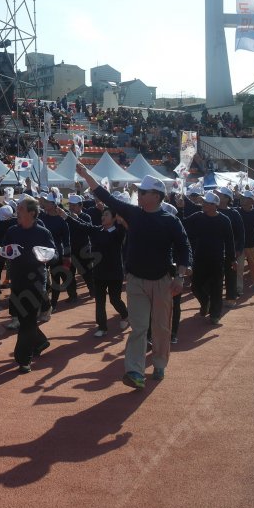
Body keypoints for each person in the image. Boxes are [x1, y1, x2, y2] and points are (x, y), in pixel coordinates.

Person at [78, 164, 191, 389]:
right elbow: (105, 196)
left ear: (156, 196)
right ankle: (135, 371)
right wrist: (86, 175)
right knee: (139, 328)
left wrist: (180, 276)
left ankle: (159, 363)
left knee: (160, 327)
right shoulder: (132, 213)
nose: (138, 195)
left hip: (162, 282)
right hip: (136, 280)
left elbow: (184, 247)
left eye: (142, 192)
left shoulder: (170, 221)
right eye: (138, 192)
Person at [0, 196, 57, 373]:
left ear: (31, 213)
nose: (17, 211)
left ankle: (23, 359)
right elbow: (4, 249)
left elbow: (55, 255)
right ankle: (40, 341)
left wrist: (45, 255)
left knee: (27, 321)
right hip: (17, 281)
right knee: (25, 319)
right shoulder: (12, 231)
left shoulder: (43, 233)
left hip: (36, 283)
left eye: (21, 209)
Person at [58, 205, 127, 337]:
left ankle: (125, 315)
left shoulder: (118, 232)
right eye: (102, 215)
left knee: (114, 300)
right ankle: (102, 327)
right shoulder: (97, 230)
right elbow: (80, 225)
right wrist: (65, 216)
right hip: (99, 273)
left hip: (114, 273)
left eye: (106, 215)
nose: (103, 217)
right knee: (99, 301)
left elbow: (125, 225)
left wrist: (121, 218)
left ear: (114, 219)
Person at [183, 192, 235, 325]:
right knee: (195, 286)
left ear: (214, 205)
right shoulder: (198, 217)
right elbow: (182, 223)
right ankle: (205, 301)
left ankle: (215, 314)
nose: (203, 205)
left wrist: (232, 259)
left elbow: (229, 241)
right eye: (204, 202)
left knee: (216, 288)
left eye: (206, 203)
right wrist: (179, 208)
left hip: (217, 259)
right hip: (199, 257)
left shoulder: (224, 220)